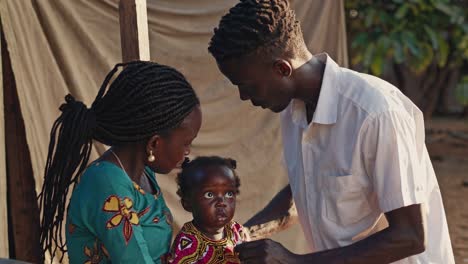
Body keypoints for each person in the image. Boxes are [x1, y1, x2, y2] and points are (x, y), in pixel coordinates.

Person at [208, 0, 455, 263]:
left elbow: (410, 236)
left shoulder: (375, 113)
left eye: (247, 85)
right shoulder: (294, 111)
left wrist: (296, 261)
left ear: (282, 69)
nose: (243, 96)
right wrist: (239, 236)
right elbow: (304, 194)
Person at [38, 61, 202, 263]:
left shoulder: (143, 174)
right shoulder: (106, 182)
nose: (188, 152)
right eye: (186, 143)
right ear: (154, 143)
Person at [167, 156, 249, 264]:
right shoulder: (187, 244)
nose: (221, 202)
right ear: (187, 203)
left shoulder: (237, 230)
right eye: (209, 194)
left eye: (229, 194)